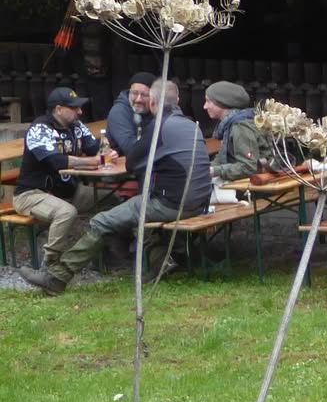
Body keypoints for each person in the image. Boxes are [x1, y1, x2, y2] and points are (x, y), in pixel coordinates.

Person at [46, 84, 211, 288]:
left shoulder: (160, 127)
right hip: (200, 202)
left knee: (101, 221)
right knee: (142, 217)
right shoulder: (191, 124)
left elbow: (133, 162)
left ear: (152, 102)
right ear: (177, 101)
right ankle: (164, 263)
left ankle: (58, 277)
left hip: (175, 204)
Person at [16, 87, 109, 296]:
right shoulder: (40, 128)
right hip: (31, 194)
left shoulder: (76, 126)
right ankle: (49, 268)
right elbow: (55, 161)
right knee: (66, 212)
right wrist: (92, 161)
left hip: (69, 192)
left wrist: (107, 149)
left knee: (113, 199)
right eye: (74, 108)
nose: (80, 112)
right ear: (58, 109)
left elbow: (95, 148)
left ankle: (113, 255)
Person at [203, 81, 266, 181]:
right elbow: (222, 158)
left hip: (255, 183)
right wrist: (203, 169)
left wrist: (214, 171)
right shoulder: (230, 123)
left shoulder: (240, 126)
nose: (205, 106)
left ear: (222, 102)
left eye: (208, 101)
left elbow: (249, 167)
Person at [106, 71, 155, 174]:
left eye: (144, 95)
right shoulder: (119, 112)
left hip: (146, 165)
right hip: (119, 172)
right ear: (129, 92)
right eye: (134, 93)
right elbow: (131, 149)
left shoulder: (155, 109)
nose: (138, 99)